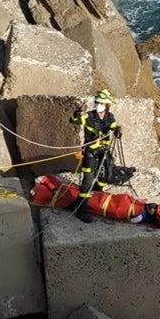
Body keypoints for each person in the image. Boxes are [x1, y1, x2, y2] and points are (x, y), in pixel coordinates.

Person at [68, 89, 122, 223]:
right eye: (97, 102)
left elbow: (114, 127)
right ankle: (81, 209)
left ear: (107, 105)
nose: (99, 104)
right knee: (87, 181)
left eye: (102, 103)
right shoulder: (89, 116)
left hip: (104, 151)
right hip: (91, 153)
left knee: (105, 176)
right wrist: (78, 112)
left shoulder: (110, 117)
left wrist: (117, 130)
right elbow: (75, 120)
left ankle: (97, 196)